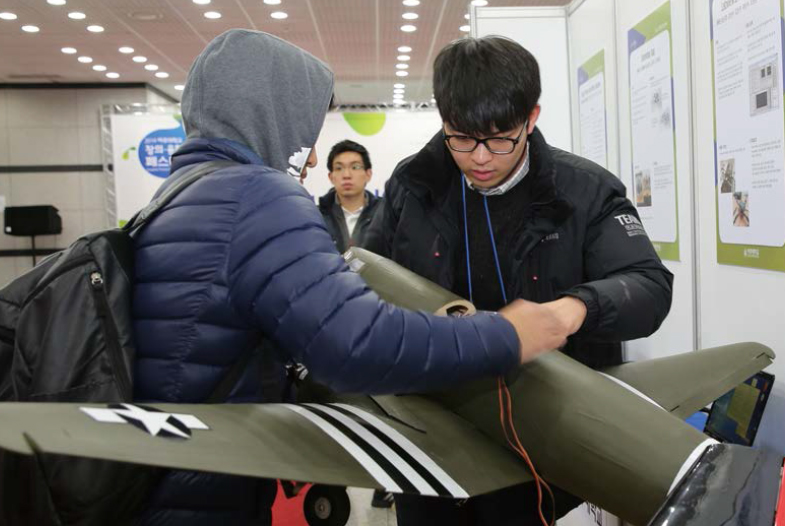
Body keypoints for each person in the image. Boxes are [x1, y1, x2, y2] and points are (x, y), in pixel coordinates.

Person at [130, 29, 575, 526]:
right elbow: (358, 342)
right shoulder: (256, 196)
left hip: (165, 479)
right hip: (203, 493)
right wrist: (505, 335)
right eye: (305, 131)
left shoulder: (178, 196)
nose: (312, 158)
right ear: (269, 115)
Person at [365, 36, 674, 525]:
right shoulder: (413, 186)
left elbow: (650, 286)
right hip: (431, 439)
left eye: (500, 139)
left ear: (531, 118)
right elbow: (365, 277)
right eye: (461, 138)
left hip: (539, 445)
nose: (480, 157)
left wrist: (571, 310)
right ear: (444, 121)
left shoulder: (583, 191)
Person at [318, 140, 382, 253]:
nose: (346, 175)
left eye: (355, 167)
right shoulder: (317, 216)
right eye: (339, 168)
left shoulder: (384, 214)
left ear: (368, 174)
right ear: (331, 177)